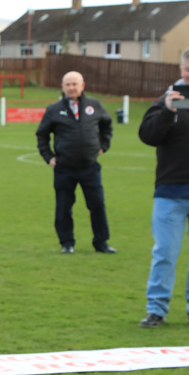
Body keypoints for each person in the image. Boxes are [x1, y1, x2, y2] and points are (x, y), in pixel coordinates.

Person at [138, 45, 189, 329]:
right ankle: (156, 309)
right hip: (171, 192)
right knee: (165, 254)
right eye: (188, 69)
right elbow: (147, 136)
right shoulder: (166, 100)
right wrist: (168, 111)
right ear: (180, 71)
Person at [36, 71, 115, 254]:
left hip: (90, 167)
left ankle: (101, 243)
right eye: (68, 85)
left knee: (97, 205)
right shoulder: (54, 109)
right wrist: (49, 157)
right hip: (64, 168)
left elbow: (107, 125)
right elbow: (42, 134)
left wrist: (103, 146)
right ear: (62, 87)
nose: (71, 88)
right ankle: (67, 243)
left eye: (75, 84)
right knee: (64, 206)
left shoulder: (94, 105)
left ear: (82, 85)